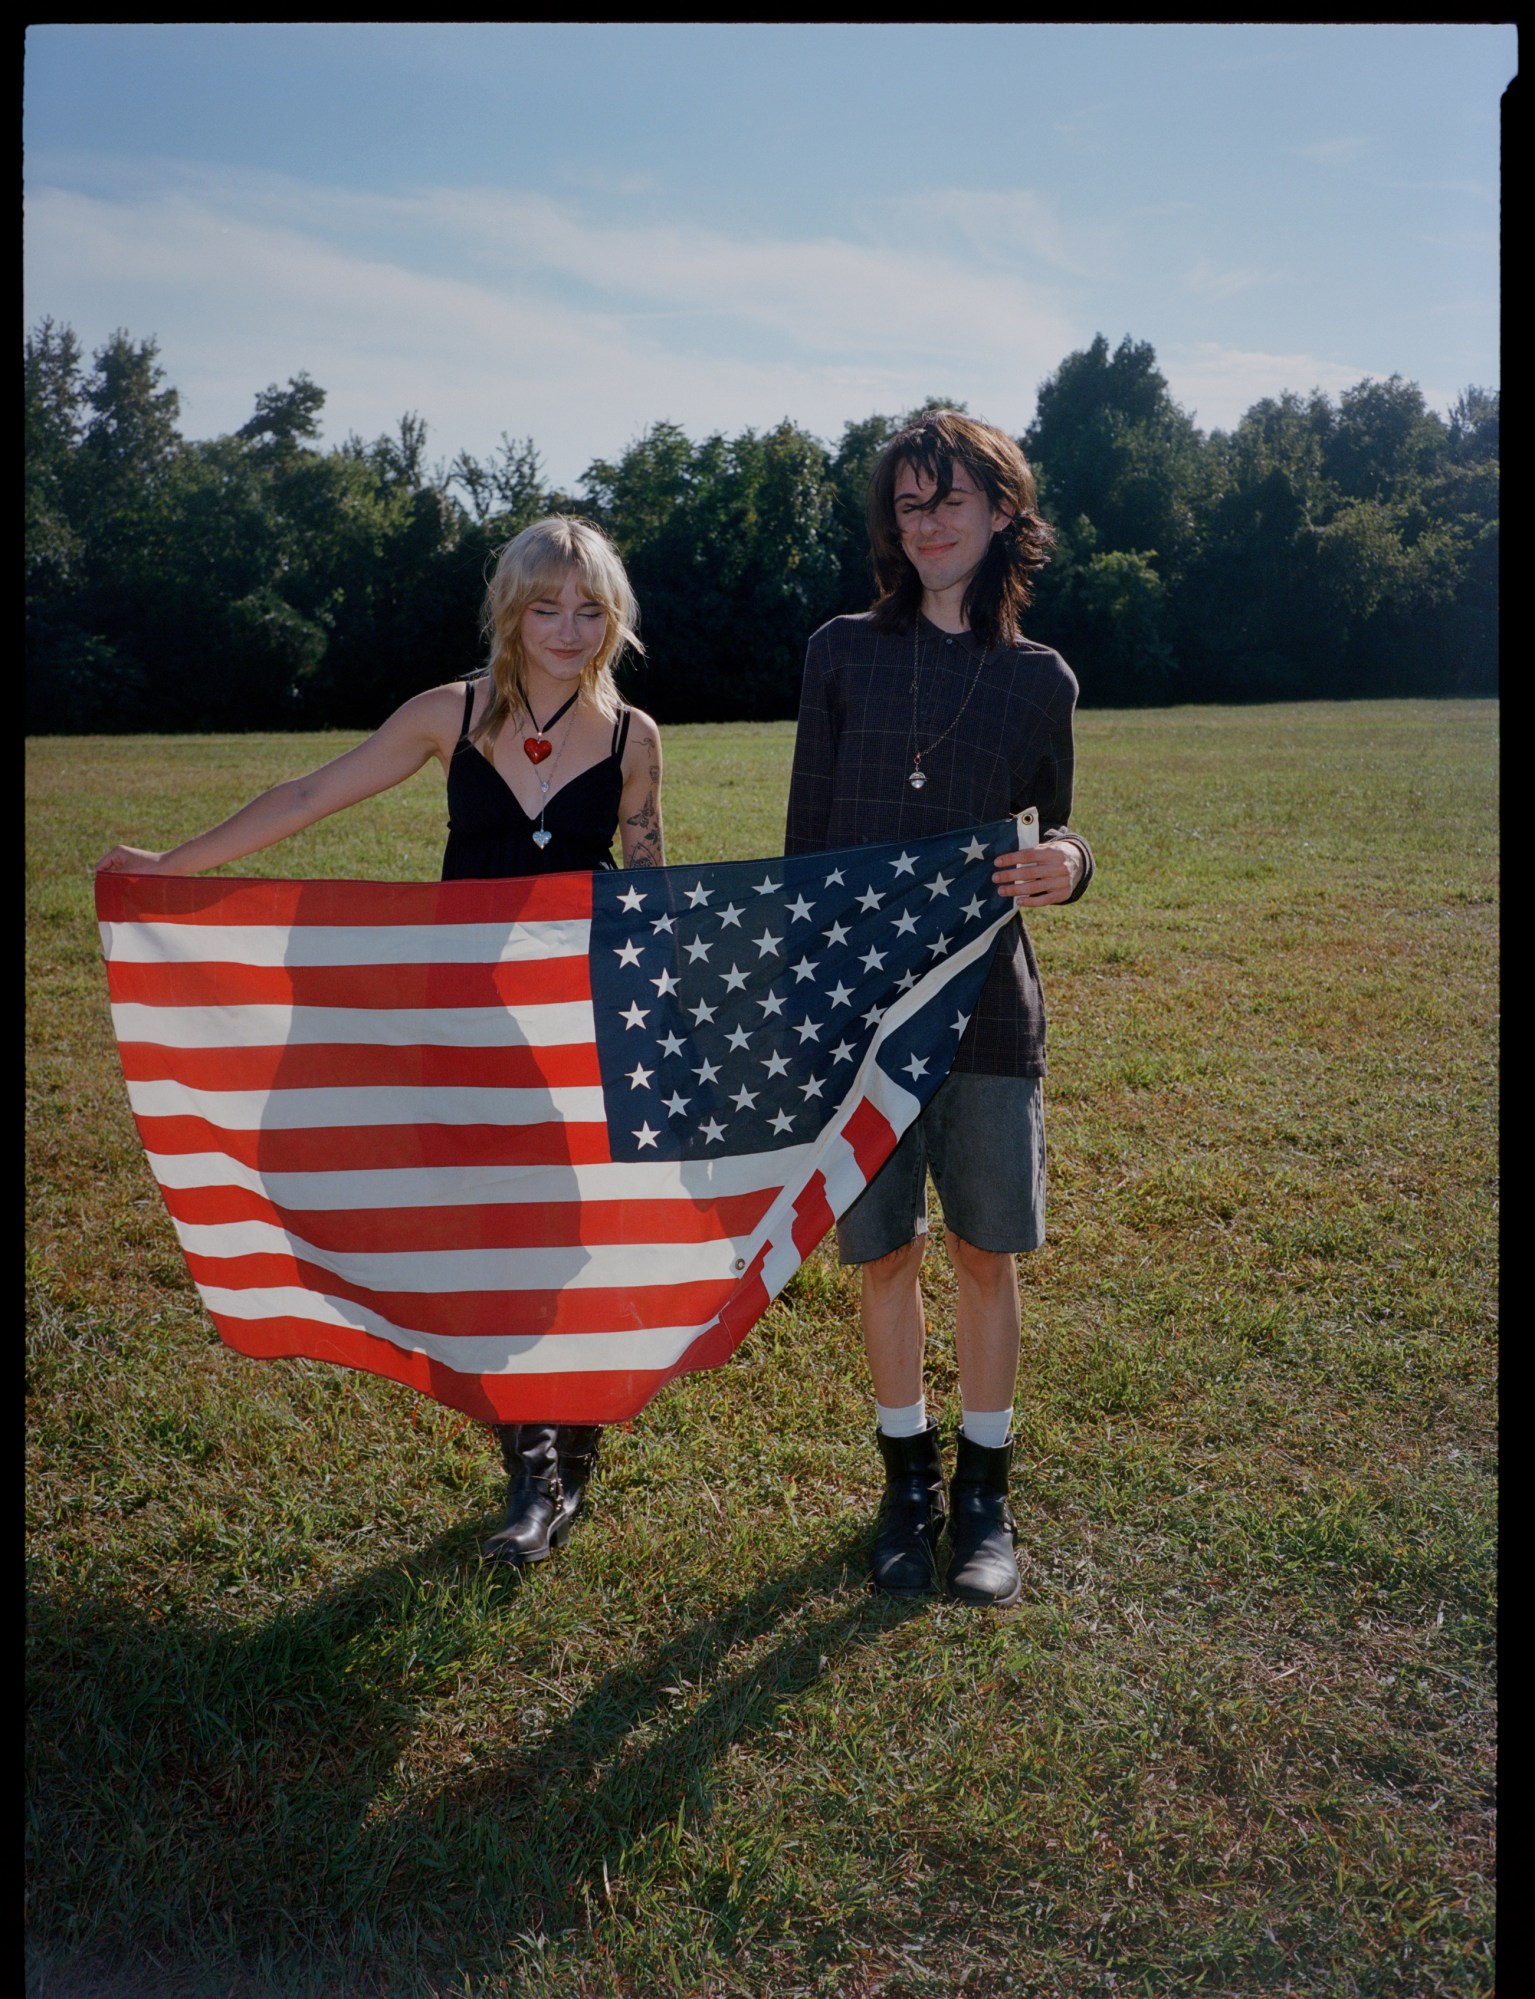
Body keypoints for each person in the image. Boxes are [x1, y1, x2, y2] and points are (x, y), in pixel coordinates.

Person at [96, 515, 666, 1568]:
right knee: (495, 1232)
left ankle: (568, 1434)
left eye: (589, 609)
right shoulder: (450, 712)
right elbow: (312, 793)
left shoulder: (634, 737)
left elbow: (646, 889)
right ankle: (537, 1458)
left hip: (574, 1017)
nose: (567, 626)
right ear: (511, 607)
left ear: (613, 618)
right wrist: (175, 866)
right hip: (462, 1018)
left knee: (575, 1231)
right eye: (546, 605)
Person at [784, 410, 1093, 1607]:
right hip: (860, 1009)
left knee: (980, 1250)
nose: (927, 523)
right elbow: (807, 845)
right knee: (882, 1255)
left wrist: (1071, 861)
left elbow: (1051, 827)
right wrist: (804, 1005)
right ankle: (901, 1489)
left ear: (1001, 510)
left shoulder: (1038, 680)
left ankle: (983, 1499)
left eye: (949, 499)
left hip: (987, 1015)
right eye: (908, 505)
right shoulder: (839, 653)